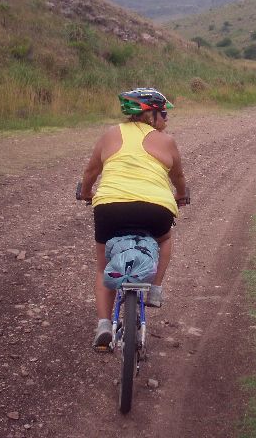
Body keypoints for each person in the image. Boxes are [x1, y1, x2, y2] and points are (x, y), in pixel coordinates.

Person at [79, 87, 189, 348]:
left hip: (110, 207)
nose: (167, 118)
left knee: (102, 265)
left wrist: (85, 194)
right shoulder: (166, 141)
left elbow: (91, 172)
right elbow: (179, 178)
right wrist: (181, 197)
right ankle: (155, 290)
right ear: (150, 114)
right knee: (164, 239)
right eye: (163, 112)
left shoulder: (109, 135)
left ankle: (104, 325)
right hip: (155, 208)